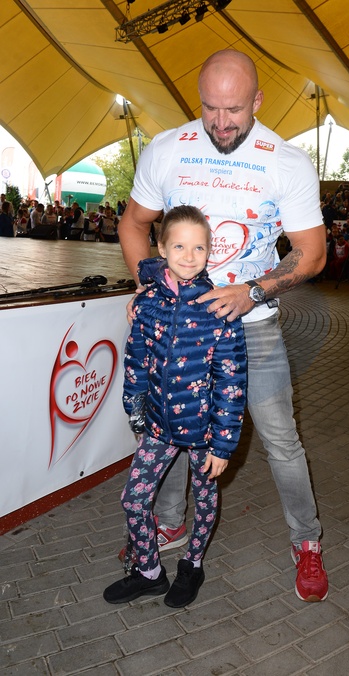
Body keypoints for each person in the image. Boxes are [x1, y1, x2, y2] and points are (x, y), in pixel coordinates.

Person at [118, 49, 328, 603]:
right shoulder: (168, 150)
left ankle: (306, 541)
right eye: (210, 108)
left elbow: (311, 253)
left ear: (257, 100)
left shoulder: (287, 163)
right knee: (168, 426)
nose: (220, 122)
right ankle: (169, 523)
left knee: (281, 438)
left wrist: (250, 291)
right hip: (178, 328)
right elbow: (134, 224)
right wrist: (148, 286)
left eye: (233, 110)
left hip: (252, 327)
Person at [103, 205, 247, 607]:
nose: (189, 255)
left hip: (204, 431)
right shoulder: (147, 302)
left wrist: (223, 445)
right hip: (157, 425)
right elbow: (135, 362)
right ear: (162, 248)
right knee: (133, 499)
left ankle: (192, 565)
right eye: (179, 246)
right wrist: (136, 412)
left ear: (209, 252)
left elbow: (232, 381)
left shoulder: (220, 307)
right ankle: (150, 572)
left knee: (204, 498)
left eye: (199, 247)